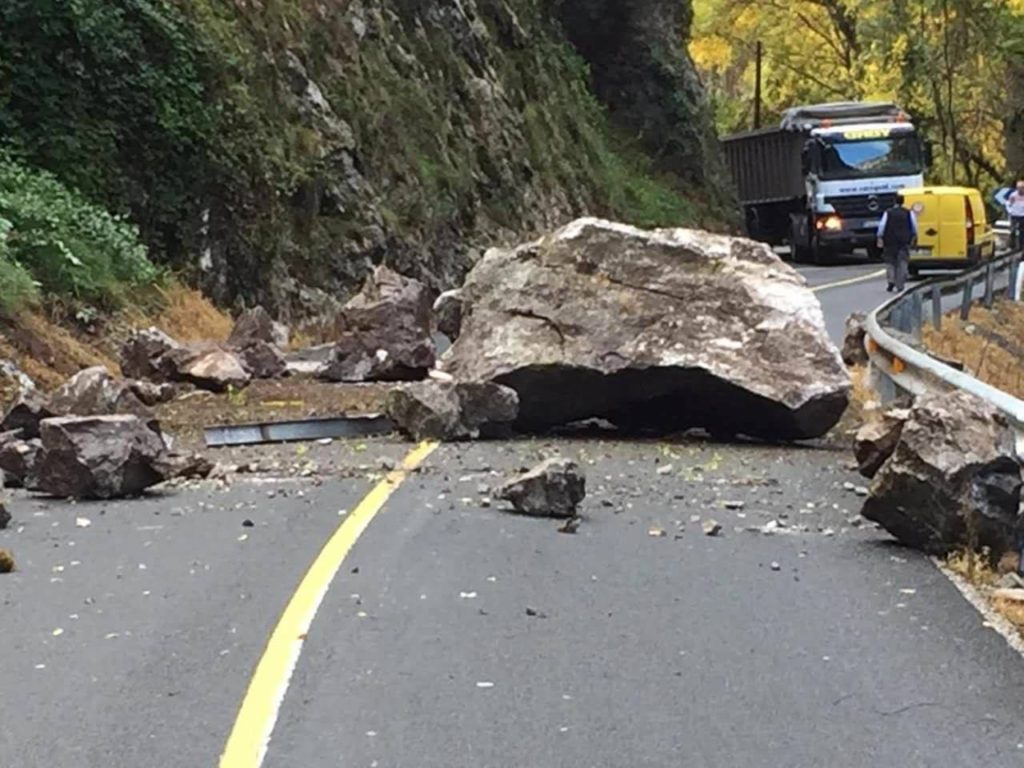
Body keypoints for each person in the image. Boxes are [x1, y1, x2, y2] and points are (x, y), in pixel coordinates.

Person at [876, 193, 918, 292]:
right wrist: (914, 236)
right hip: (904, 241)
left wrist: (879, 236)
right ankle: (900, 284)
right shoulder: (908, 212)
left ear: (894, 201)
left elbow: (882, 225)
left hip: (890, 240)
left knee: (890, 261)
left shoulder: (888, 212)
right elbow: (914, 226)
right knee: (902, 262)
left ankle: (891, 280)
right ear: (903, 201)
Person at [1005, 179, 1024, 251]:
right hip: (1014, 215)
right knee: (1012, 231)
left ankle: (1021, 247)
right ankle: (1011, 246)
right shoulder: (1013, 196)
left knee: (1022, 232)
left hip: (1023, 216)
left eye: (1022, 188)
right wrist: (1010, 211)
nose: (1021, 190)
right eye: (1019, 188)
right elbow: (1008, 204)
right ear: (1017, 188)